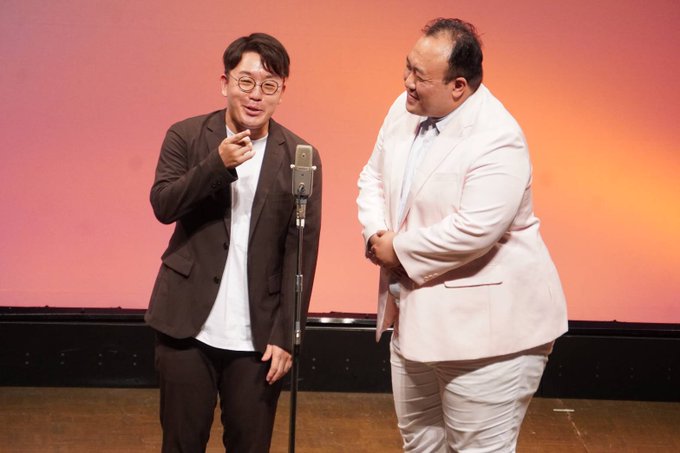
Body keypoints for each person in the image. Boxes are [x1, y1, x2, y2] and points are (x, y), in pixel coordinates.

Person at [357, 18, 567, 452]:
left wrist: (396, 249)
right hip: (414, 321)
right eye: (408, 67)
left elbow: (475, 230)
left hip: (488, 338)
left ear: (458, 86)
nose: (407, 82)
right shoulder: (404, 109)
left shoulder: (498, 137)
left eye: (420, 76)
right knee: (420, 444)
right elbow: (372, 176)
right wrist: (377, 232)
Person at [146, 32, 322, 453]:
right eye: (246, 81)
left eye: (269, 85)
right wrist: (216, 165)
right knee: (181, 444)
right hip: (187, 326)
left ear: (282, 92)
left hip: (257, 338)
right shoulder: (187, 135)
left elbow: (301, 250)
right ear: (224, 83)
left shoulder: (300, 155)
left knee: (250, 445)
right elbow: (164, 205)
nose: (256, 95)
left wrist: (287, 334)